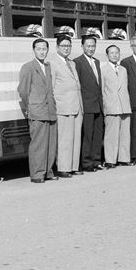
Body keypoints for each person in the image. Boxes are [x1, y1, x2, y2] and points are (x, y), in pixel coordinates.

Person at [17, 38, 58, 183]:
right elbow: (22, 90)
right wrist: (31, 107)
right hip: (37, 111)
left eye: (44, 49)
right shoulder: (28, 67)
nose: (42, 51)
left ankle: (48, 171)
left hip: (50, 110)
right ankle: (37, 174)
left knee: (50, 144)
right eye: (39, 49)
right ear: (34, 50)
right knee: (38, 144)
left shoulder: (47, 66)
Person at [49, 35, 84, 177]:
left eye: (68, 46)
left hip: (77, 105)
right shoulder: (52, 63)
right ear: (57, 47)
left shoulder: (72, 63)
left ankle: (73, 166)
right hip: (63, 107)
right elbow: (51, 88)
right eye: (63, 46)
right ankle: (63, 168)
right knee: (65, 139)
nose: (66, 48)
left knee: (76, 138)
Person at [73, 35, 104, 172]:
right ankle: (86, 162)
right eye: (88, 46)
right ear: (82, 46)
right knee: (87, 135)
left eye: (93, 46)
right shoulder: (77, 62)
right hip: (86, 105)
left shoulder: (97, 62)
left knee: (98, 134)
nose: (91, 48)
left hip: (98, 104)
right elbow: (78, 85)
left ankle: (96, 160)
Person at [100, 45, 132, 168]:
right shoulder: (103, 70)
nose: (114, 55)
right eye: (111, 53)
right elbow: (102, 90)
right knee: (111, 135)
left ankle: (124, 158)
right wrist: (105, 106)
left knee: (125, 134)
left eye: (116, 53)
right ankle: (110, 159)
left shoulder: (123, 69)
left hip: (124, 105)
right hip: (111, 106)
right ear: (107, 55)